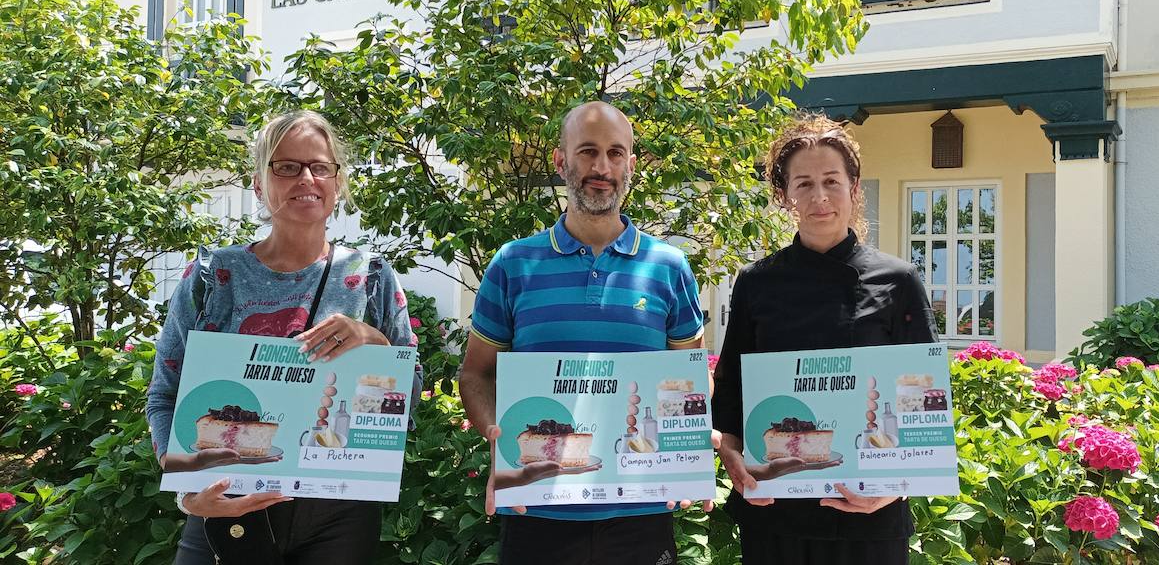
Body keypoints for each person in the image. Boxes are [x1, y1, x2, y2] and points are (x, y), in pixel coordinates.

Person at [146, 110, 419, 564]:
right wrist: (188, 492)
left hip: (338, 512)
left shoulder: (370, 278)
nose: (306, 178)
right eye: (286, 166)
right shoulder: (214, 277)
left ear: (337, 182)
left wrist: (376, 344)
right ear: (259, 183)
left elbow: (405, 400)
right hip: (226, 507)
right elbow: (165, 395)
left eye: (320, 166)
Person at [459, 101, 707, 565]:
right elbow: (475, 375)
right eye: (587, 151)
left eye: (616, 153)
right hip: (538, 509)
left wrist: (686, 454)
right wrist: (497, 438)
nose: (602, 167)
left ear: (631, 164)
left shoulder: (669, 268)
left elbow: (688, 381)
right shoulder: (513, 264)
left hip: (641, 508)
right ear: (560, 161)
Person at [711, 114, 938, 564]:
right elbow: (733, 398)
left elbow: (923, 397)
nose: (819, 198)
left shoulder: (898, 280)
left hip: (868, 512)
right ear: (784, 195)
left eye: (832, 181)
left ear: (855, 189)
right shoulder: (757, 283)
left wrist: (894, 488)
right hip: (775, 511)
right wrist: (733, 459)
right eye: (804, 183)